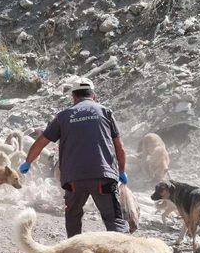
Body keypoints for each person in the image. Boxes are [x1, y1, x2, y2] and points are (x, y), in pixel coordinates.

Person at [19, 77, 129, 237]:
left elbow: (41, 142)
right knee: (114, 220)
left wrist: (28, 162)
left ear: (74, 97)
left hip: (73, 180)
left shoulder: (63, 116)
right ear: (94, 95)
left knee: (73, 216)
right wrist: (122, 171)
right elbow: (120, 146)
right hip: (105, 177)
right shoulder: (105, 112)